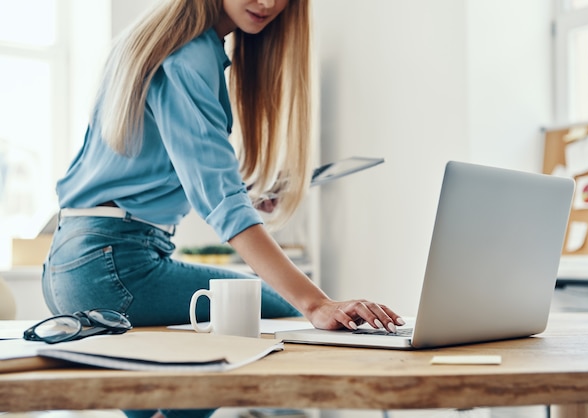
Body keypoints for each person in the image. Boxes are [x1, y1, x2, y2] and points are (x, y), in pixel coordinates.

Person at [42, 0, 405, 417]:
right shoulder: (188, 55)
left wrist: (245, 193)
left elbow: (152, 171)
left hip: (73, 260)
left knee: (156, 400)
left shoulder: (160, 42)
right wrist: (317, 304)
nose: (268, 2)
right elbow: (220, 203)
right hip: (114, 264)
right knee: (279, 311)